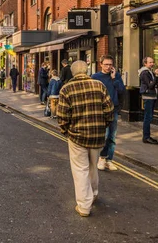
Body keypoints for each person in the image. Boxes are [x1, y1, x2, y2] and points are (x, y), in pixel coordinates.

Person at [57, 60, 114, 217]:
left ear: (73, 73)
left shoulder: (67, 89)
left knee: (80, 169)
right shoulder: (99, 85)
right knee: (92, 166)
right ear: (87, 70)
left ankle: (84, 206)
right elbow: (109, 110)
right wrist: (104, 126)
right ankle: (93, 194)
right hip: (97, 134)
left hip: (77, 135)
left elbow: (62, 116)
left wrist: (66, 131)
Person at [92, 55, 126, 172]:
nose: (108, 67)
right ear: (100, 64)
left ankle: (109, 160)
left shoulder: (116, 76)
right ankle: (101, 158)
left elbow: (122, 90)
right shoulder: (95, 77)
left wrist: (114, 79)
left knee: (112, 137)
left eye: (110, 64)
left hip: (114, 109)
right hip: (101, 110)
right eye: (106, 64)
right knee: (105, 136)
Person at [139, 57, 158, 145]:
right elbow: (151, 85)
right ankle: (146, 137)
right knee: (148, 117)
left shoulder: (150, 72)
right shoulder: (144, 73)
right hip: (148, 96)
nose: (152, 64)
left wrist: (157, 77)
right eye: (150, 62)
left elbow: (157, 84)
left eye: (153, 62)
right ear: (145, 63)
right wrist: (155, 76)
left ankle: (147, 136)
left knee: (149, 116)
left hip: (152, 96)